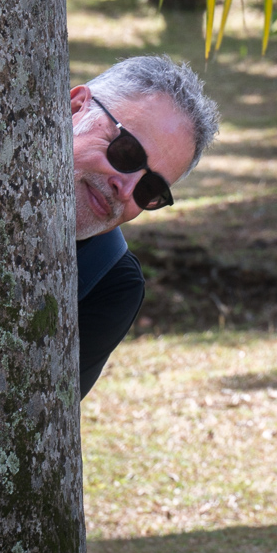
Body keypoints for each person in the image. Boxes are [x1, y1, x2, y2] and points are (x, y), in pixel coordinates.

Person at [71, 56, 220, 397]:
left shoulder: (110, 284)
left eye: (149, 189)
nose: (124, 189)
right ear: (75, 106)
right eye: (126, 153)